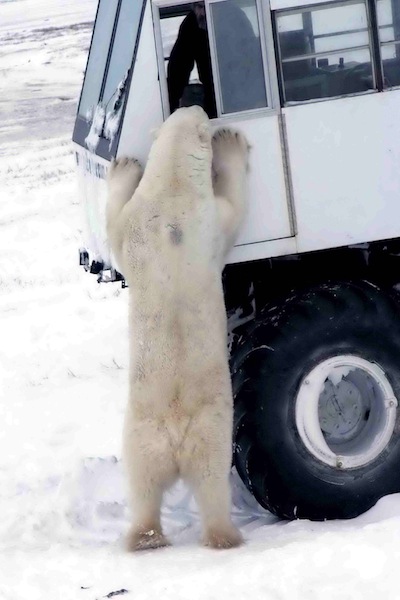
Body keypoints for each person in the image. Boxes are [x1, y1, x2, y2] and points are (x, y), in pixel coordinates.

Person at [167, 2, 217, 118]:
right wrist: (172, 107)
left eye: (207, 6)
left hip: (239, 93)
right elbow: (178, 68)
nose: (203, 12)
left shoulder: (234, 18)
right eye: (200, 7)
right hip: (210, 91)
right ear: (193, 8)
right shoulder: (190, 25)